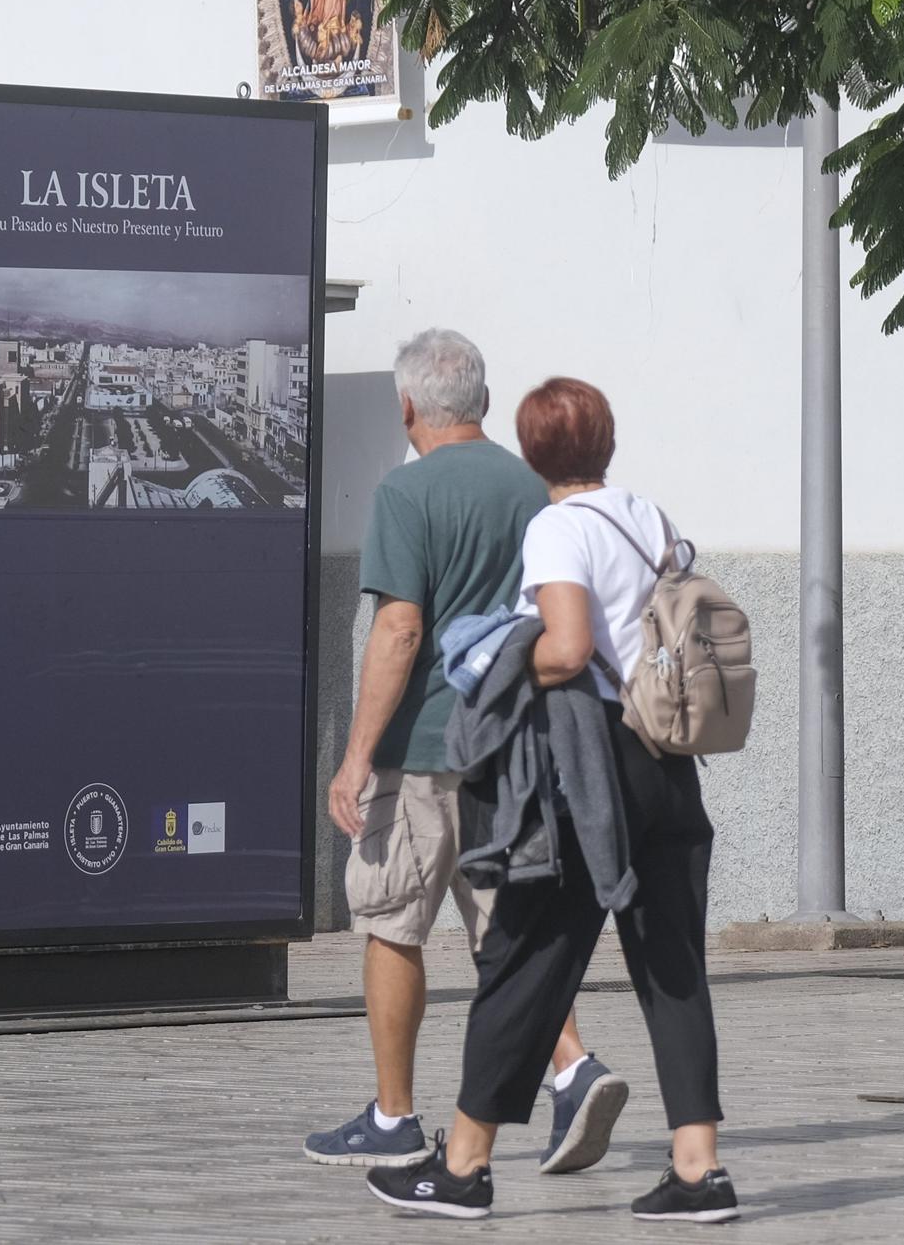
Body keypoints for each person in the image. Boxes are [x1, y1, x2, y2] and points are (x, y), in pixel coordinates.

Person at [365, 377, 738, 1224]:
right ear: (604, 441)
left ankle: (462, 1166)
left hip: (588, 772)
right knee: (673, 966)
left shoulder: (558, 528)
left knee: (526, 960)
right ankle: (698, 1168)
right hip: (668, 763)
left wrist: (499, 667)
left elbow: (568, 650)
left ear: (535, 454)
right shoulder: (651, 517)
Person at [304, 334, 629, 1173]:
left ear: (409, 407)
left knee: (390, 922)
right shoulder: (536, 486)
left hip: (424, 748)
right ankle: (572, 1069)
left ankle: (393, 1115)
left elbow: (400, 628)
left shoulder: (407, 493)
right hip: (516, 744)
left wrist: (354, 758)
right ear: (482, 401)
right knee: (505, 930)